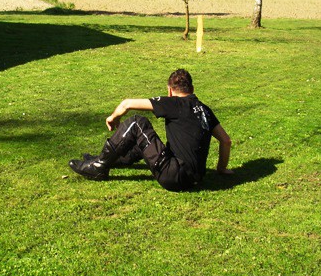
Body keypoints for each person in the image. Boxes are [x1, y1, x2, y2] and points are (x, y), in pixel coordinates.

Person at [69, 69, 233, 191]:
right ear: (192, 88)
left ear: (170, 90)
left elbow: (127, 104)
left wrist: (113, 117)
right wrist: (221, 169)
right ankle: (103, 159)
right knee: (145, 142)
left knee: (137, 122)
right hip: (195, 178)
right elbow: (226, 141)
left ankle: (99, 166)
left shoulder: (173, 103)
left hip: (175, 177)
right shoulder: (204, 110)